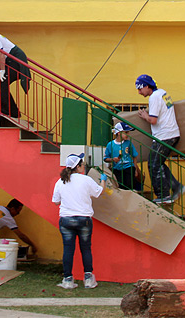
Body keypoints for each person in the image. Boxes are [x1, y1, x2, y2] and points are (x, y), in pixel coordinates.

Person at [52, 153, 106, 290]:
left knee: (68, 249)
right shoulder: (85, 180)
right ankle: (88, 279)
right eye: (82, 164)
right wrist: (103, 180)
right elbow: (100, 192)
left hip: (66, 220)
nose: (84, 166)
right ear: (78, 166)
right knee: (85, 248)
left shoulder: (60, 181)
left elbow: (55, 201)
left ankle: (68, 280)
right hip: (84, 219)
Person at [136, 74, 185, 204]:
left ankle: (163, 195)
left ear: (147, 86)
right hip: (172, 133)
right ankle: (176, 187)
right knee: (158, 164)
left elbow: (153, 120)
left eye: (140, 89)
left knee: (153, 165)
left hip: (164, 136)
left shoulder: (154, 97)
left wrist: (145, 116)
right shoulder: (163, 93)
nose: (139, 92)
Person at [104, 122, 142, 191]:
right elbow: (105, 158)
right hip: (117, 169)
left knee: (129, 184)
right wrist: (112, 159)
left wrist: (135, 168)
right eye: (126, 132)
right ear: (119, 133)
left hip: (128, 166)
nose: (128, 134)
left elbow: (134, 155)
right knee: (120, 186)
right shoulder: (110, 144)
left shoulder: (128, 143)